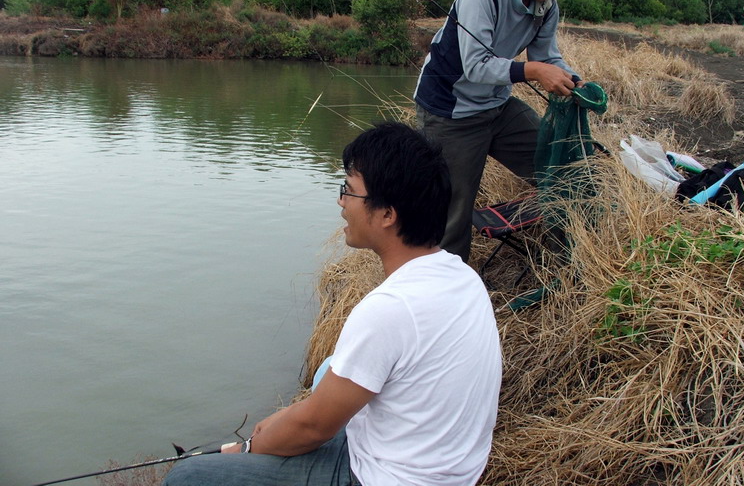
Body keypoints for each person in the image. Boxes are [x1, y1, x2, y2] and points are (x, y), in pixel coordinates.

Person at [163, 122, 502, 486]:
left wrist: (247, 449)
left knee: (188, 476)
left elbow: (313, 428)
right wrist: (280, 425)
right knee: (328, 369)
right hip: (448, 465)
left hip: (389, 477)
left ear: (388, 214)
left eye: (349, 192)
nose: (341, 202)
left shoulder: (391, 309)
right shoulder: (460, 276)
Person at [414, 0, 594, 262]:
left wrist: (572, 80)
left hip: (497, 106)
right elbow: (477, 67)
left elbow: (546, 56)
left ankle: (569, 260)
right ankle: (447, 292)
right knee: (452, 210)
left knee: (557, 166)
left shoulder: (547, 3)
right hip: (449, 112)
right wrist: (534, 72)